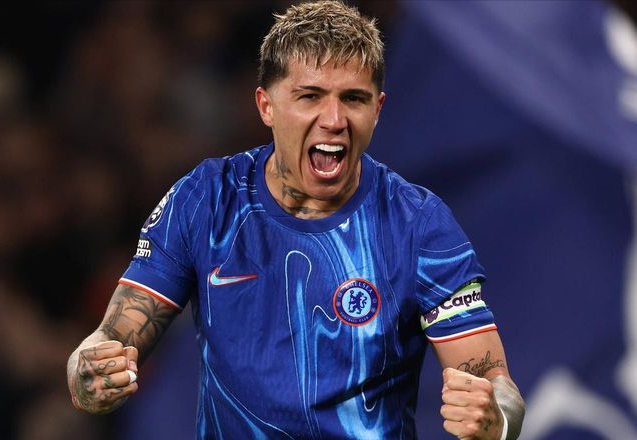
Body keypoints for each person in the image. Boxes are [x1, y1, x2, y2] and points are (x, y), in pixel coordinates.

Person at [67, 1, 525, 438]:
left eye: (354, 98)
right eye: (310, 96)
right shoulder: (206, 198)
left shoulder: (419, 224)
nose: (334, 119)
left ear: (378, 109)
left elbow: (495, 385)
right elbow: (110, 338)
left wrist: (496, 420)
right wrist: (87, 371)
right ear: (266, 105)